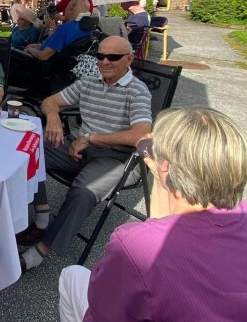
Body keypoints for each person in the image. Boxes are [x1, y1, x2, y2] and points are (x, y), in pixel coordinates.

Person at [58, 107, 247, 322]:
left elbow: (103, 314)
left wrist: (162, 182)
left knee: (71, 275)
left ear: (165, 167)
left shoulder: (136, 246)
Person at [18, 36, 152, 272]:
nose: (104, 62)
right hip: (77, 147)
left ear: (129, 59)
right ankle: (42, 217)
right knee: (29, 151)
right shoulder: (90, 82)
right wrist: (53, 118)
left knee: (83, 189)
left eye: (113, 57)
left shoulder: (137, 91)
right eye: (100, 56)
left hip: (116, 158)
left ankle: (41, 251)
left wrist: (92, 138)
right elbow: (50, 101)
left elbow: (141, 135)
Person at [23, 0, 92, 61]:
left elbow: (43, 56)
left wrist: (30, 50)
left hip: (47, 66)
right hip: (68, 64)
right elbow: (58, 46)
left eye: (67, 6)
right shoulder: (88, 30)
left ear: (72, 8)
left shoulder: (65, 29)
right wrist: (39, 46)